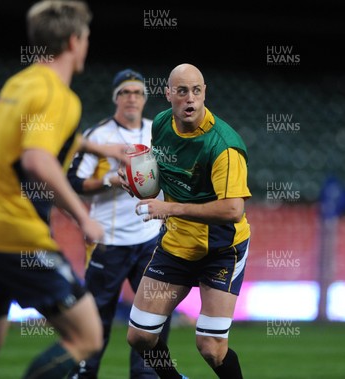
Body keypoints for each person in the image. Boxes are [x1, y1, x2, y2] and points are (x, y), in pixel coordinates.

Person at [0, 1, 128, 378]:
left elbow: (35, 137)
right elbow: (37, 160)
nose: (87, 45)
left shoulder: (17, 84)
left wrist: (96, 147)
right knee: (86, 338)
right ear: (74, 41)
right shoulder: (60, 96)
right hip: (17, 235)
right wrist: (84, 218)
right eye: (86, 38)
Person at [119, 63, 251, 379]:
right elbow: (164, 172)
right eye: (181, 91)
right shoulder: (162, 125)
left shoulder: (224, 146)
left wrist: (171, 210)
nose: (190, 98)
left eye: (196, 90)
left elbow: (233, 210)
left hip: (220, 250)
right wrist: (141, 185)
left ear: (204, 92)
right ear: (168, 95)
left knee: (210, 347)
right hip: (177, 246)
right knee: (140, 337)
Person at [67, 68, 172, 379]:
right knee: (96, 319)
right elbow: (74, 181)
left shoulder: (160, 131)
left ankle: (147, 376)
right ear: (116, 98)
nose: (132, 98)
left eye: (138, 92)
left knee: (153, 318)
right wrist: (111, 180)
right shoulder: (97, 136)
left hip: (151, 240)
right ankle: (84, 374)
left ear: (144, 98)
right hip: (108, 242)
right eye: (125, 92)